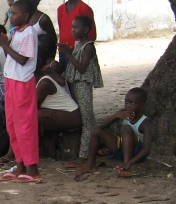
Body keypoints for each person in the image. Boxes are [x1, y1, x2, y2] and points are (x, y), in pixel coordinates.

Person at [0, 0, 41, 183]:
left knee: (25, 126)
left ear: (26, 16)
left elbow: (22, 60)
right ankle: (20, 165)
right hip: (11, 80)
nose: (10, 16)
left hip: (22, 82)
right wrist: (2, 43)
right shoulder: (16, 32)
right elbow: (9, 56)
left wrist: (4, 45)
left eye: (14, 13)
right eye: (10, 13)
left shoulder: (29, 32)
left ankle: (33, 168)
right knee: (12, 125)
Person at [76, 88, 152, 179]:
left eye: (133, 103)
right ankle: (90, 165)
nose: (128, 106)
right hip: (122, 151)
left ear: (142, 105)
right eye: (126, 102)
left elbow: (146, 149)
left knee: (126, 128)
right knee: (96, 131)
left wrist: (129, 162)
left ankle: (126, 166)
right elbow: (101, 127)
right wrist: (116, 116)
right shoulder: (123, 113)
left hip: (136, 155)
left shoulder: (145, 122)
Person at [59, 15, 103, 165]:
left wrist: (67, 54)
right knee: (85, 118)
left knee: (87, 120)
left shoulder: (88, 46)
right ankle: (96, 147)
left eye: (76, 27)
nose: (72, 30)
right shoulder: (78, 44)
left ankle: (84, 156)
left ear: (85, 29)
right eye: (72, 27)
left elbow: (82, 68)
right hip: (76, 84)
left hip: (83, 84)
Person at [37, 61, 81, 154]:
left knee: (30, 117)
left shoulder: (45, 83)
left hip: (71, 116)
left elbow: (32, 106)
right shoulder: (44, 80)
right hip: (67, 114)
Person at [57, 0, 96, 70]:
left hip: (79, 53)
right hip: (64, 52)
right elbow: (62, 30)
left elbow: (91, 34)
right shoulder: (61, 9)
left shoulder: (84, 9)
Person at [23, 0, 58, 69]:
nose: (25, 3)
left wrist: (50, 59)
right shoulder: (23, 18)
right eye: (24, 0)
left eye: (28, 0)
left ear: (37, 1)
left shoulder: (43, 19)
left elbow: (53, 40)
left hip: (41, 61)